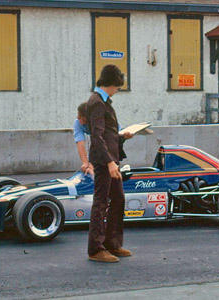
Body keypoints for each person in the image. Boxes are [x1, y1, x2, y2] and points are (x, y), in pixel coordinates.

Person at [87, 64, 132, 263]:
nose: (117, 91)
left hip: (111, 160)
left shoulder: (103, 102)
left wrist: (122, 136)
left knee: (118, 199)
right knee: (101, 202)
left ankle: (112, 243)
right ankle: (96, 248)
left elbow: (106, 134)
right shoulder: (97, 102)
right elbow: (96, 136)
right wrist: (109, 163)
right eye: (117, 87)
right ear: (111, 83)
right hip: (105, 162)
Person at [73, 102, 94, 175]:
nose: (79, 118)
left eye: (81, 116)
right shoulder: (77, 122)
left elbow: (100, 143)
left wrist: (93, 163)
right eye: (78, 115)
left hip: (112, 136)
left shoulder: (97, 122)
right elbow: (80, 143)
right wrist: (85, 163)